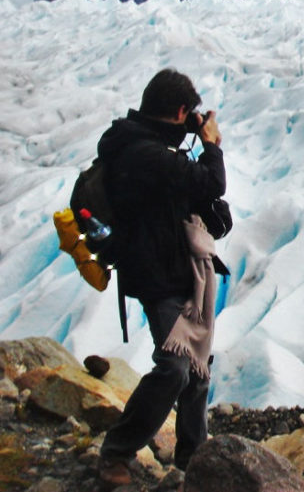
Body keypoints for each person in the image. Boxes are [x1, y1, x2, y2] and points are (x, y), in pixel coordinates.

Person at [97, 68, 227, 487]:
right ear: (179, 111)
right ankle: (116, 451)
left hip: (171, 265)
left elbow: (194, 195)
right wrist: (209, 143)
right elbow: (211, 181)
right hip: (156, 273)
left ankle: (194, 455)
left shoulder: (145, 145)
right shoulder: (144, 153)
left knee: (196, 364)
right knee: (174, 366)